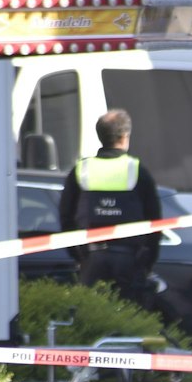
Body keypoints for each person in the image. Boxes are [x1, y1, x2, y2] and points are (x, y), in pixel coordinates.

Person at [58, 109, 161, 303]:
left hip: (92, 259)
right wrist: (146, 263)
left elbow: (65, 217)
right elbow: (155, 221)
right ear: (124, 137)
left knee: (92, 320)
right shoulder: (137, 170)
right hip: (129, 261)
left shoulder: (81, 169)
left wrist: (79, 256)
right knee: (130, 321)